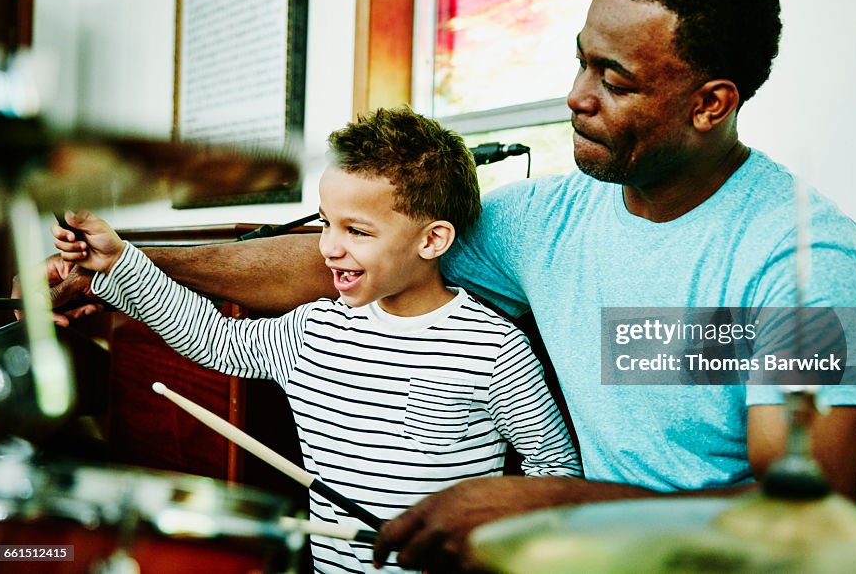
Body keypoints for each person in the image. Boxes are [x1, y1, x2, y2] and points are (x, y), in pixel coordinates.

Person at [42, 0, 856, 574]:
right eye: (580, 63)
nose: (575, 97)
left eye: (614, 81)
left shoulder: (808, 259)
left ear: (711, 103)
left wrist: (552, 499)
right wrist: (117, 260)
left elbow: (804, 509)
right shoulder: (551, 218)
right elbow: (355, 257)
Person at [51, 107, 582, 574]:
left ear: (432, 239)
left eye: (358, 231)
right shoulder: (316, 329)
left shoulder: (494, 349)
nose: (328, 247)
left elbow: (554, 472)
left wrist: (494, 548)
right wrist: (121, 262)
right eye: (327, 223)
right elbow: (214, 341)